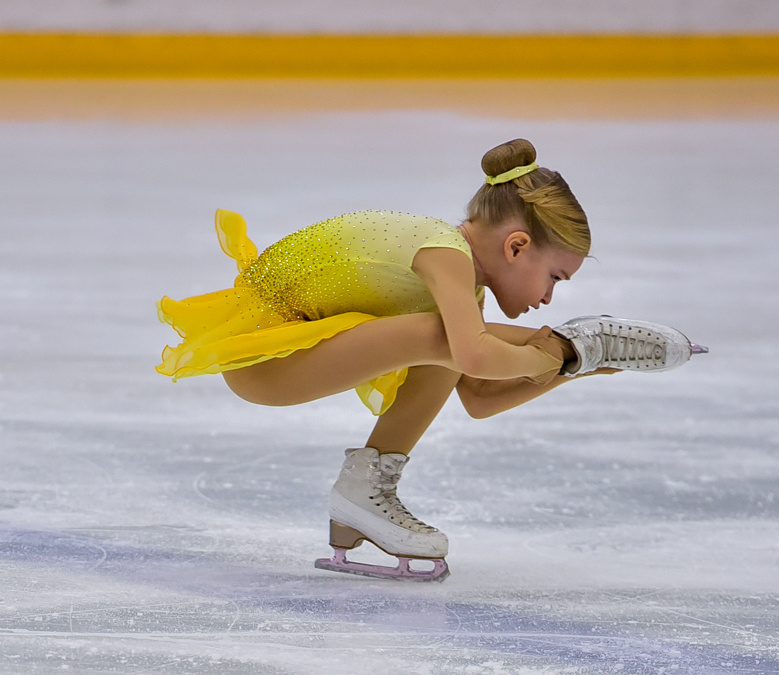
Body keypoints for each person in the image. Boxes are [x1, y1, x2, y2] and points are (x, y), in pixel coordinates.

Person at [156, 138, 706, 581]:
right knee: (444, 336)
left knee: (448, 340)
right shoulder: (444, 253)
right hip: (263, 359)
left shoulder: (463, 286)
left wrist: (572, 366)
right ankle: (576, 341)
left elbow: (478, 394)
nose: (547, 296)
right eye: (554, 278)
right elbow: (471, 353)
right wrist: (560, 352)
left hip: (296, 348)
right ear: (516, 247)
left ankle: (364, 492)